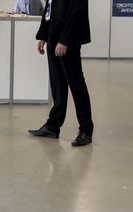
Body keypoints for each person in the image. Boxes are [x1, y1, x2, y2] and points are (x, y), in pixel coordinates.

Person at [28, 0, 94, 146]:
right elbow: (50, 7)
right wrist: (43, 35)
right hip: (53, 36)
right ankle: (52, 126)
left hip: (67, 39)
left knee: (76, 85)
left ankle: (86, 130)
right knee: (57, 84)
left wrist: (65, 40)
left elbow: (77, 11)